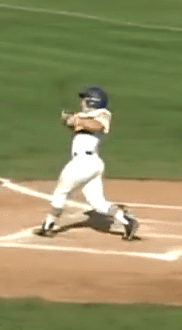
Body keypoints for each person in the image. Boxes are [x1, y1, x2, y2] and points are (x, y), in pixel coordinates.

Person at [35, 86, 140, 241]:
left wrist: (77, 120)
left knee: (61, 193)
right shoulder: (84, 116)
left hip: (82, 163)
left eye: (84, 99)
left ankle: (48, 225)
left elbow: (96, 125)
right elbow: (76, 124)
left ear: (92, 101)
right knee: (97, 202)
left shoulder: (103, 114)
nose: (81, 102)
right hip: (92, 164)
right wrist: (68, 120)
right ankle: (126, 220)